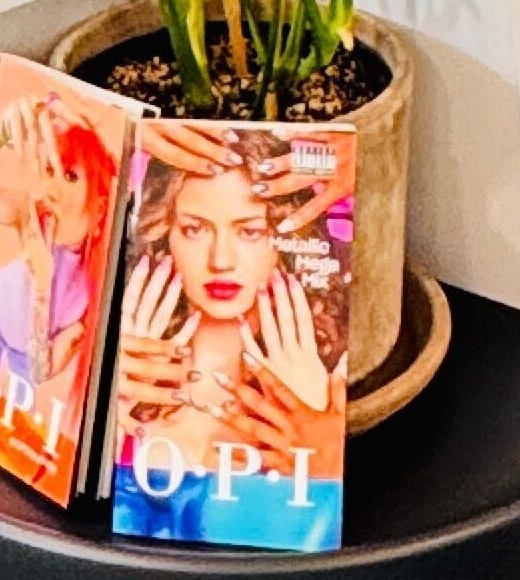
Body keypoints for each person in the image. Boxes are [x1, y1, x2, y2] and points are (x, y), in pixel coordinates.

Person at [108, 123, 353, 549]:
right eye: (194, 229)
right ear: (165, 234)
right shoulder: (125, 358)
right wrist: (105, 412)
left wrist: (320, 456)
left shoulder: (333, 370)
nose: (221, 260)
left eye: (250, 231)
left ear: (286, 236)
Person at [0, 91, 121, 489]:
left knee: (21, 407)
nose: (51, 189)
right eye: (48, 170)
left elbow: (42, 371)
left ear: (99, 209)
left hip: (29, 350)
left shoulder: (84, 298)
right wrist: (2, 133)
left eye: (71, 175)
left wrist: (42, 288)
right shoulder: (28, 213)